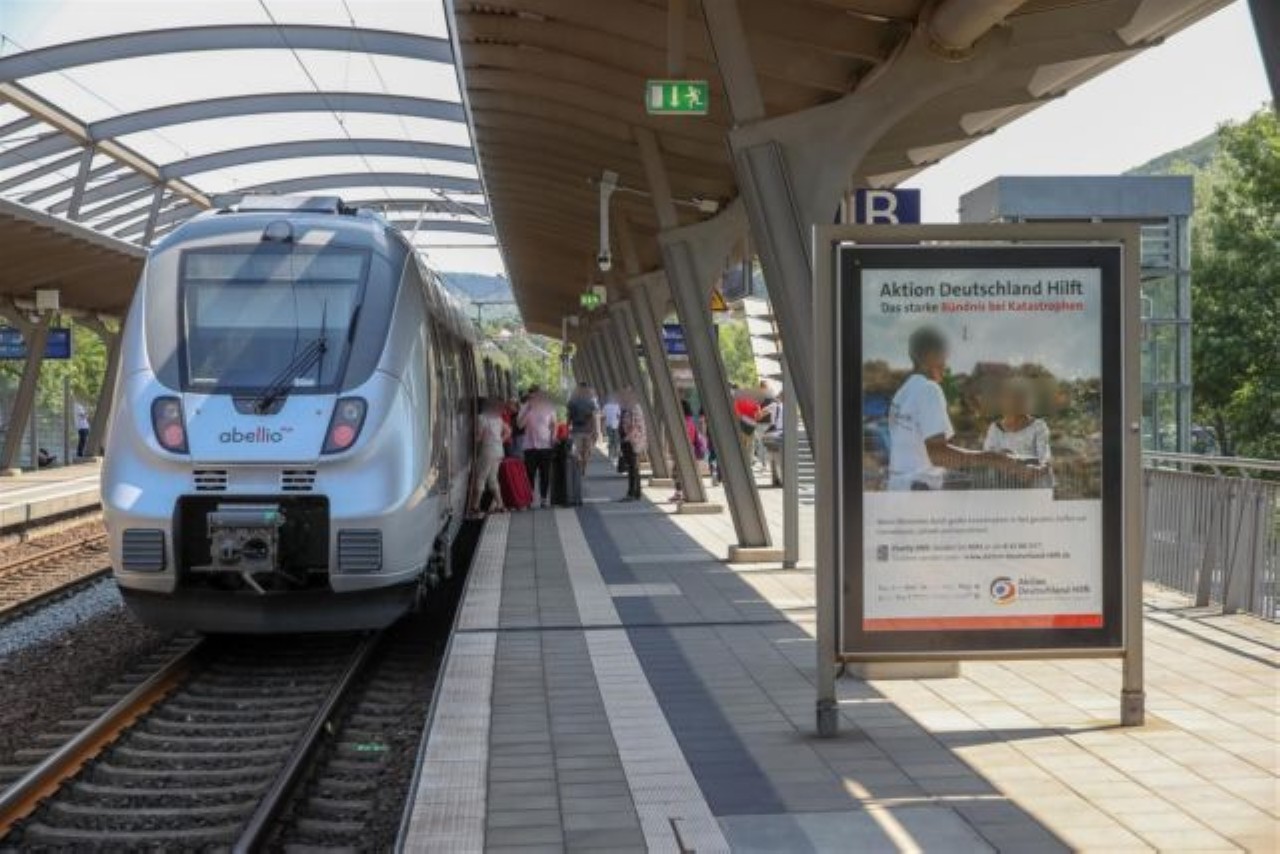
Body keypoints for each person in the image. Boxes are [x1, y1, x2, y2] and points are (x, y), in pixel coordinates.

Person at [887, 326, 1022, 491]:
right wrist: (994, 459)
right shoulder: (929, 389)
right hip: (920, 492)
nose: (945, 365)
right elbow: (939, 455)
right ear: (931, 355)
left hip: (898, 488)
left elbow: (922, 448)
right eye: (944, 357)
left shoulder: (903, 393)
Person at [983, 378, 1053, 487]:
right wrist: (1001, 457)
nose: (1018, 402)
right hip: (1004, 486)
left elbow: (1045, 458)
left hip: (1034, 486)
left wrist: (1035, 470)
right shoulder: (994, 428)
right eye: (1014, 397)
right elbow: (986, 457)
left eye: (1022, 397)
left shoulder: (1038, 426)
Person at [517, 387, 558, 508]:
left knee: (545, 473)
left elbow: (554, 424)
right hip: (530, 447)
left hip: (546, 446)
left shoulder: (549, 407)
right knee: (530, 473)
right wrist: (527, 410)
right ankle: (530, 498)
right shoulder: (525, 407)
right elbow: (519, 425)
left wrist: (553, 437)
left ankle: (544, 498)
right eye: (532, 397)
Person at [470, 398, 510, 516]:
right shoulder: (497, 418)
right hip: (499, 451)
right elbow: (508, 431)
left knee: (481, 477)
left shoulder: (481, 418)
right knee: (493, 478)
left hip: (487, 450)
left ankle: (475, 505)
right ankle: (501, 505)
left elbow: (479, 437)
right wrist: (500, 440)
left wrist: (474, 439)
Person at [618, 389, 646, 502]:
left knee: (633, 467)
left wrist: (627, 437)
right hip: (628, 441)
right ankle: (637, 492)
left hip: (632, 441)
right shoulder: (628, 407)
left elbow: (636, 426)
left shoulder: (634, 408)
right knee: (633, 467)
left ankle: (632, 493)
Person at [566, 382, 598, 474]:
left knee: (577, 451)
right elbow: (594, 417)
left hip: (576, 430)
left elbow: (569, 416)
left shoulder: (572, 402)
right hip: (588, 431)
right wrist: (595, 430)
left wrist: (567, 428)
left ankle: (580, 464)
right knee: (586, 451)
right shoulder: (591, 402)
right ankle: (583, 467)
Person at [601, 394, 622, 463]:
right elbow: (619, 416)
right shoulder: (617, 406)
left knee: (610, 441)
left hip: (608, 425)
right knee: (616, 440)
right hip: (616, 425)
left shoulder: (605, 406)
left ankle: (610, 455)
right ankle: (616, 455)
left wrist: (602, 428)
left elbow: (603, 417)